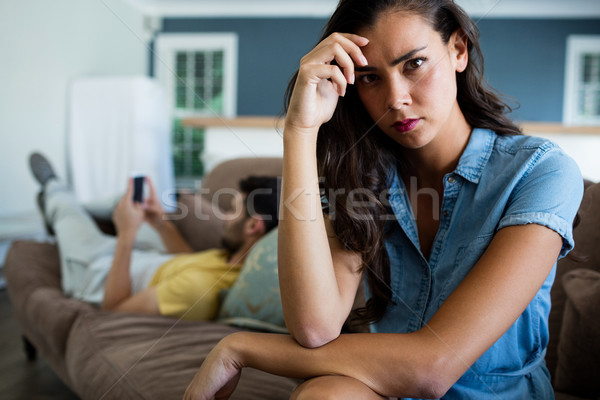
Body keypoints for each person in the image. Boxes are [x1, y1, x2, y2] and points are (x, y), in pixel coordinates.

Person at [183, 0, 583, 399]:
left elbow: (433, 366)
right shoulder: (364, 179)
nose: (395, 98)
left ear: (458, 50)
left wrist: (238, 348)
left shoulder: (540, 172)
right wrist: (300, 131)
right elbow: (314, 328)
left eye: (414, 64)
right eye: (371, 77)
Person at [29, 152, 279, 321]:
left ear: (253, 226)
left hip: (98, 273)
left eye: (232, 210)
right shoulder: (234, 263)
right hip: (146, 258)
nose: (224, 217)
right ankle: (82, 207)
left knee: (67, 212)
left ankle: (54, 190)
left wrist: (127, 233)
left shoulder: (199, 291)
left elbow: (114, 310)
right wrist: (160, 223)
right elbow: (190, 262)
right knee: (127, 202)